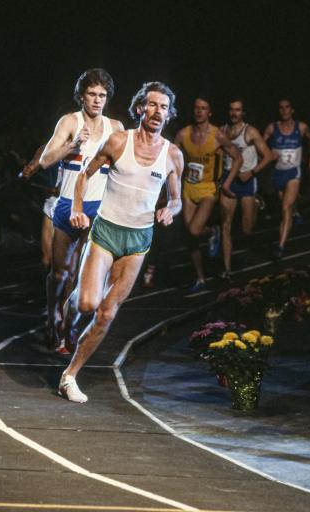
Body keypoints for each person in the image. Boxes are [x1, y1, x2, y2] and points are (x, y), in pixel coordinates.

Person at [60, 81, 184, 402]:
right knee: (87, 303)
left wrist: (170, 210)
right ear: (141, 108)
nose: (158, 112)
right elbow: (85, 174)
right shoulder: (118, 141)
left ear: (169, 115)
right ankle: (72, 306)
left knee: (106, 313)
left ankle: (69, 375)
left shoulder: (172, 155)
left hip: (138, 241)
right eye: (153, 105)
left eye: (164, 107)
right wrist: (77, 208)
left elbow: (177, 199)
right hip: (105, 232)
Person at [22, 69, 124, 351]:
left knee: (83, 274)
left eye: (102, 95)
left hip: (97, 208)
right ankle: (52, 315)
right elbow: (44, 160)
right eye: (92, 94)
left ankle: (69, 327)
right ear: (82, 96)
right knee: (59, 272)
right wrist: (72, 145)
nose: (97, 100)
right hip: (67, 203)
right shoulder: (70, 121)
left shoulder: (115, 127)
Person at [174, 96, 242, 292]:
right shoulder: (183, 134)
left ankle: (213, 232)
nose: (199, 111)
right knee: (191, 237)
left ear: (209, 113)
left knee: (195, 230)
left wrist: (227, 184)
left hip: (208, 189)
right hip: (188, 188)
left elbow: (237, 158)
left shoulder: (217, 135)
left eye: (203, 108)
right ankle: (200, 278)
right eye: (196, 108)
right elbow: (171, 160)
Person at [219, 99, 274, 279]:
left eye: (238, 110)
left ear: (243, 113)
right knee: (225, 225)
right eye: (232, 110)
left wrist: (251, 172)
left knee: (246, 230)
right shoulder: (222, 131)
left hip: (247, 180)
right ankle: (227, 270)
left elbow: (268, 156)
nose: (234, 113)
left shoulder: (250, 131)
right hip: (229, 178)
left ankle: (256, 202)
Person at [263, 98, 310, 259]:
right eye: (281, 108)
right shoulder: (272, 128)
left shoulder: (300, 127)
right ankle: (295, 210)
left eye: (287, 107)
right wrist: (267, 154)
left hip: (294, 173)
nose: (284, 110)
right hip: (278, 173)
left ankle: (280, 245)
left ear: (292, 110)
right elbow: (259, 143)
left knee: (285, 208)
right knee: (286, 204)